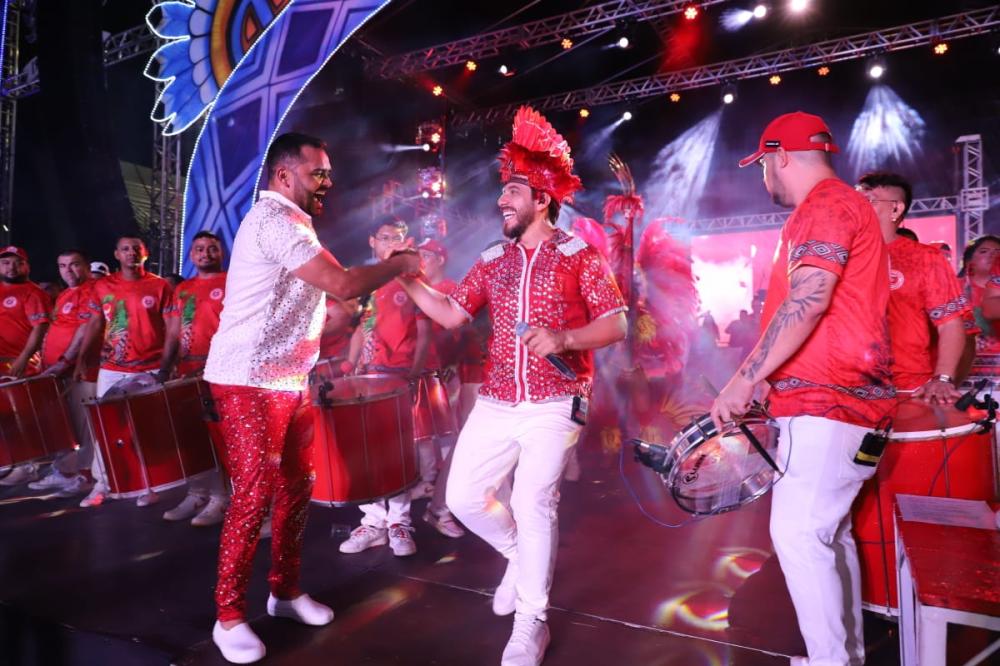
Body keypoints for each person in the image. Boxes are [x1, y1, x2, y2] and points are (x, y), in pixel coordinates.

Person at [397, 106, 627, 666]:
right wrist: (407, 276)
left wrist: (565, 337)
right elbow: (452, 313)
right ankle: (522, 559)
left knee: (532, 499)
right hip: (499, 399)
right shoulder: (493, 258)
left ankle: (532, 621)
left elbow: (617, 322)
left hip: (557, 400)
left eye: (514, 191)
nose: (502, 200)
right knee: (461, 498)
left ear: (542, 199)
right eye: (503, 191)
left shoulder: (579, 255)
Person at [201, 132, 420, 664]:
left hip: (287, 379)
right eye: (318, 172)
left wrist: (351, 314)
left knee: (298, 486)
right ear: (283, 176)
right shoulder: (273, 219)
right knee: (254, 493)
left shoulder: (299, 225)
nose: (328, 181)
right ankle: (227, 617)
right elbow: (342, 284)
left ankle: (284, 590)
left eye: (328, 172)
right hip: (247, 380)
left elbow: (335, 304)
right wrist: (400, 263)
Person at [711, 112, 895, 666]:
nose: (763, 176)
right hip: (845, 406)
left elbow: (809, 301)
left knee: (798, 535)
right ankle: (844, 656)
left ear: (780, 156)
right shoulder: (841, 206)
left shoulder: (826, 206)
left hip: (830, 405)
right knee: (829, 537)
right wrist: (768, 379)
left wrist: (744, 378)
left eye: (763, 164)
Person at [337, 217, 429, 558]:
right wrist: (349, 365)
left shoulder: (413, 279)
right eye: (386, 237)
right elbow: (361, 329)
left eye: (398, 236)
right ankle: (373, 522)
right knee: (371, 450)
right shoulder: (367, 284)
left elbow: (425, 333)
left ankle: (400, 523)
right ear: (372, 242)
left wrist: (415, 373)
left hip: (400, 377)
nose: (392, 242)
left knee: (400, 450)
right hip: (368, 378)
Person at [75, 236, 173, 508]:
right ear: (116, 254)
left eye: (136, 249)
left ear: (145, 253)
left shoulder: (160, 286)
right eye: (126, 249)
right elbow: (94, 324)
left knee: (147, 428)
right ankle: (103, 484)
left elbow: (172, 328)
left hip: (150, 368)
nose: (131, 253)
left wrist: (167, 366)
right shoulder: (103, 285)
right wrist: (83, 357)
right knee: (106, 427)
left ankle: (147, 484)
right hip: (112, 368)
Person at [857, 172, 969, 399]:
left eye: (868, 201)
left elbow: (950, 324)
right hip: (847, 390)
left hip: (907, 389)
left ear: (896, 209)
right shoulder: (841, 257)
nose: (857, 208)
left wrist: (943, 378)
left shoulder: (924, 259)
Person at [156, 231, 230, 527]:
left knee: (219, 436)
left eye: (212, 248)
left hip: (221, 372)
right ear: (191, 255)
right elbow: (173, 332)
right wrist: (165, 367)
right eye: (199, 249)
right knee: (192, 435)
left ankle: (222, 498)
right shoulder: (182, 289)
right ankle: (198, 492)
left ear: (221, 253)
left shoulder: (232, 282)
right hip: (187, 372)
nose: (206, 253)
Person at [28, 250, 99, 496]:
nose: (68, 270)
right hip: (58, 373)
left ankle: (85, 476)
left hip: (82, 372)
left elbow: (83, 332)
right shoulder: (65, 294)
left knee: (85, 428)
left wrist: (65, 361)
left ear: (86, 266)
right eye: (62, 266)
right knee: (67, 427)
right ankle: (65, 472)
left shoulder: (91, 291)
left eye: (74, 265)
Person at [0, 246, 53, 487]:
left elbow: (40, 328)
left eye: (17, 263)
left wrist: (23, 358)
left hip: (18, 364)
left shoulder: (33, 293)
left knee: (22, 415)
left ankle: (28, 466)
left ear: (26, 266)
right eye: (6, 262)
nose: (11, 267)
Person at [960, 236, 1000, 387]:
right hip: (961, 375)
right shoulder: (954, 289)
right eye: (984, 251)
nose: (993, 255)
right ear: (969, 260)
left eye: (998, 251)